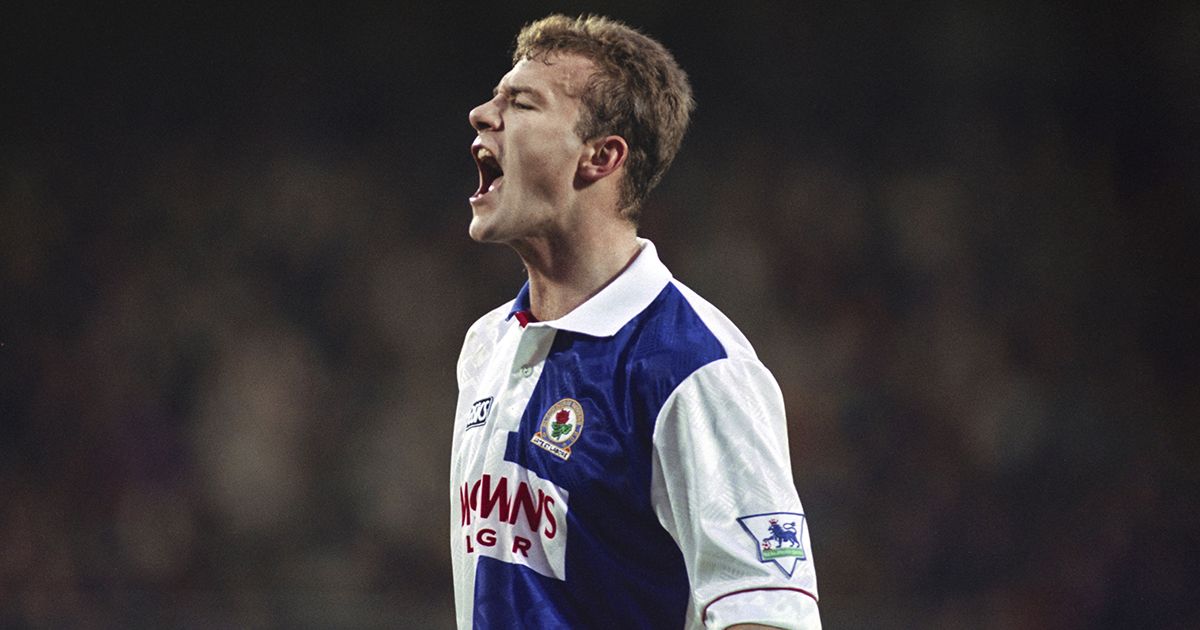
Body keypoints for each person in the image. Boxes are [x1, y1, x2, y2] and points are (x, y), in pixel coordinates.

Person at [451, 14, 820, 629]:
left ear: (600, 156)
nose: (482, 115)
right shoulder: (487, 344)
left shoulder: (695, 368)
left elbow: (766, 614)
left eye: (521, 102)